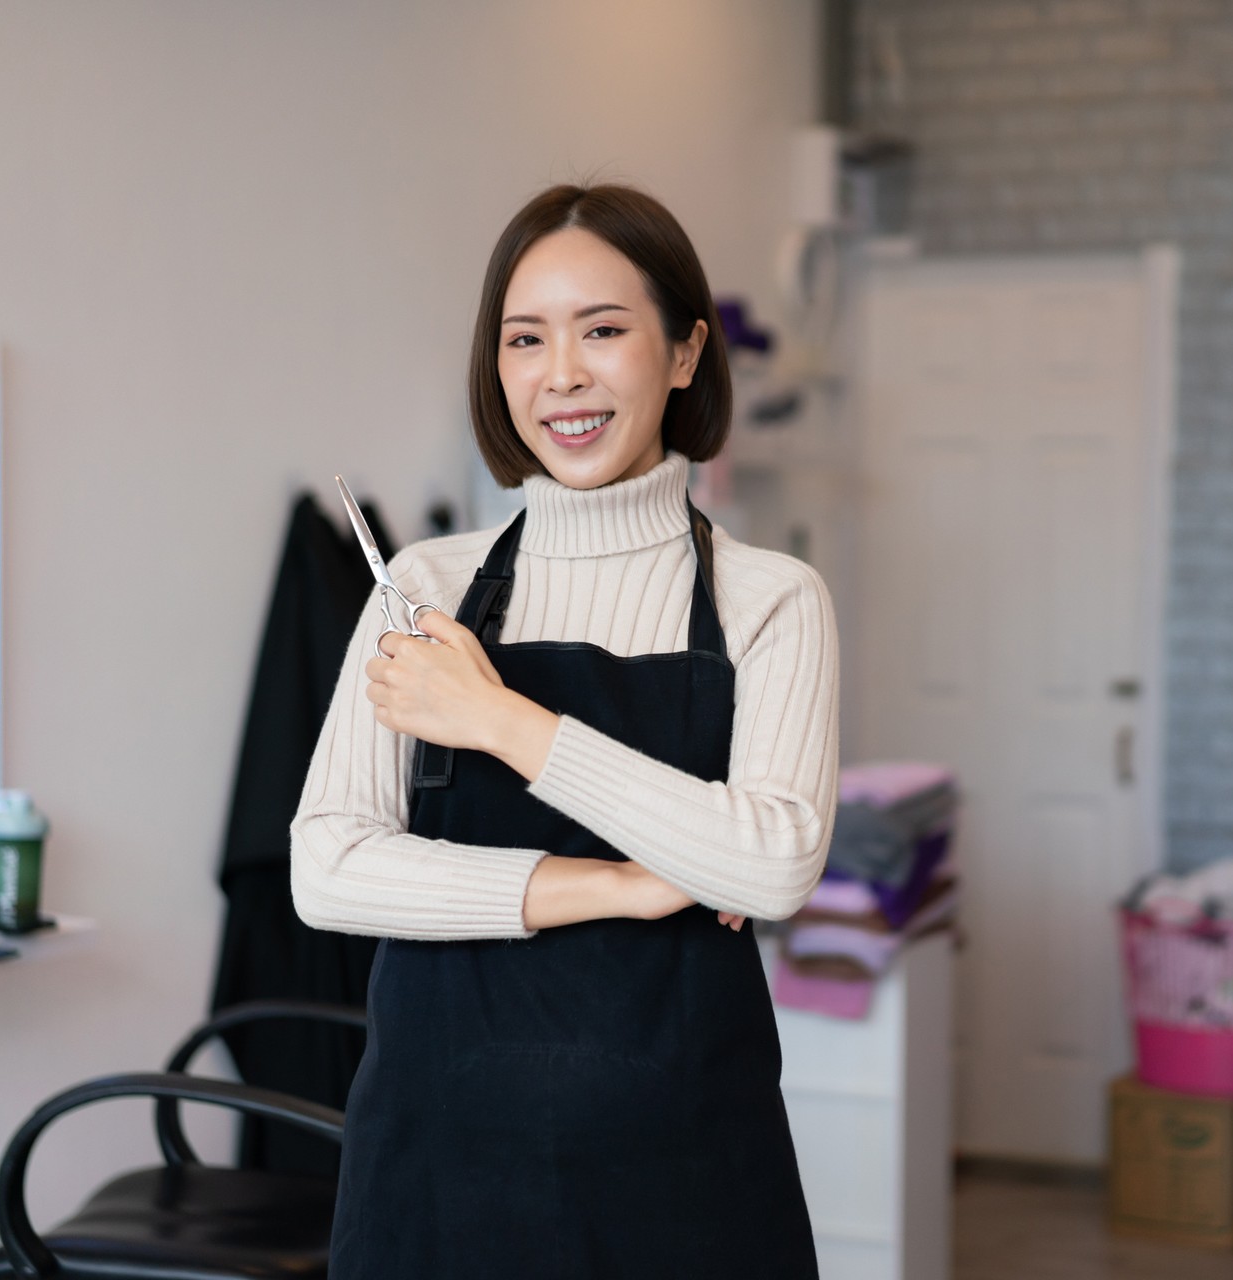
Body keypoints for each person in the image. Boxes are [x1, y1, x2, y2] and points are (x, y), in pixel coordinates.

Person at [290, 182, 839, 1278]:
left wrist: (497, 718)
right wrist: (628, 882)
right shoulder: (422, 585)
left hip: (683, 1177)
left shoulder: (771, 597)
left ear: (685, 353)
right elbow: (329, 870)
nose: (563, 375)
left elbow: (771, 862)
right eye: (525, 338)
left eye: (603, 331)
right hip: (436, 1170)